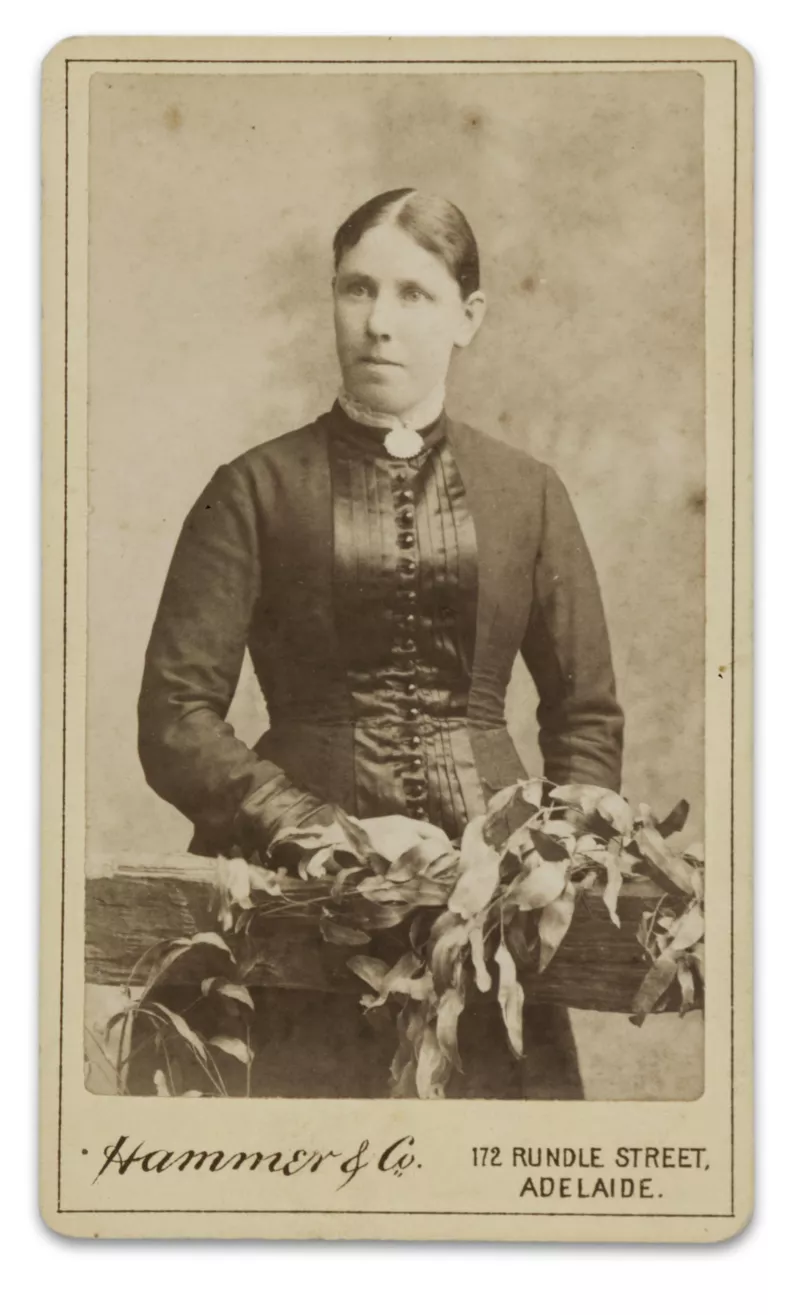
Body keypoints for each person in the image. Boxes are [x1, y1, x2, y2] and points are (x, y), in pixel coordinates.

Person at [137, 188, 624, 1099]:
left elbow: (586, 713)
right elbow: (175, 718)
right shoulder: (252, 489)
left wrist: (549, 853)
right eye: (357, 289)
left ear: (468, 317)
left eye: (414, 294)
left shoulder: (528, 494)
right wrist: (325, 832)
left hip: (488, 918)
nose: (379, 323)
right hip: (295, 904)